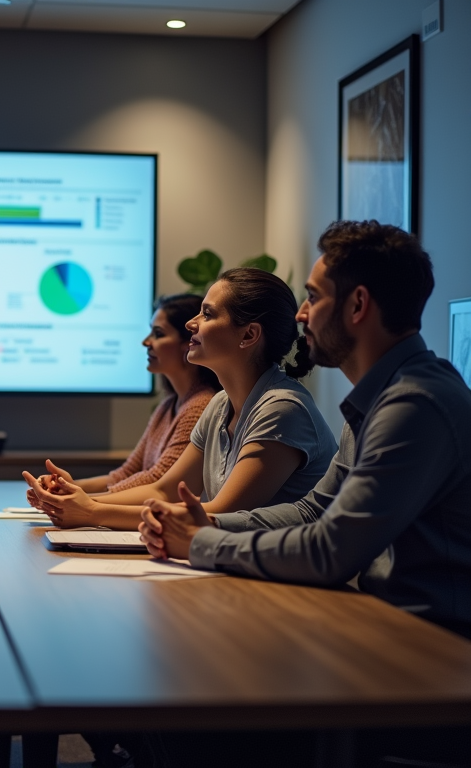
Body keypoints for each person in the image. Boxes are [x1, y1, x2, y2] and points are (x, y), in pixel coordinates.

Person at [139, 223, 471, 767]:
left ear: (358, 305)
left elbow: (329, 549)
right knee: (182, 688)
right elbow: (314, 509)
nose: (300, 314)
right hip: (384, 631)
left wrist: (201, 543)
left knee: (197, 711)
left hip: (430, 656)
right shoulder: (379, 399)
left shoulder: (415, 405)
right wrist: (208, 528)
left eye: (314, 297)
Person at [25, 268, 337, 531]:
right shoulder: (219, 405)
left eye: (208, 314)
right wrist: (77, 500)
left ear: (248, 336)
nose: (191, 322)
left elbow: (219, 515)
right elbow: (165, 489)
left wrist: (91, 511)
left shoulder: (283, 408)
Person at [36, 294, 220, 497]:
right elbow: (127, 473)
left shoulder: (200, 405)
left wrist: (83, 499)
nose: (146, 342)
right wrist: (70, 486)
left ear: (189, 343)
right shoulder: (168, 405)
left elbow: (158, 480)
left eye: (158, 334)